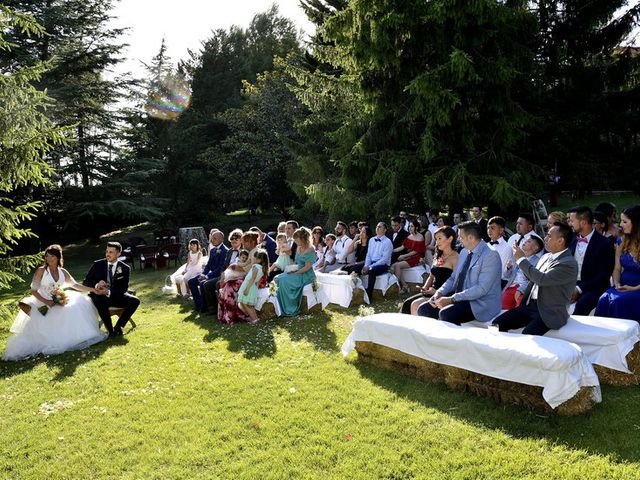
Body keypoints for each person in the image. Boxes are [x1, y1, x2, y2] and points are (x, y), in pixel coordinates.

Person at [3, 245, 107, 360]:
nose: (48, 259)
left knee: (78, 305)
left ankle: (75, 338)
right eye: (47, 256)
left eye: (52, 256)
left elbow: (75, 285)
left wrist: (93, 290)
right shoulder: (41, 271)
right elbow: (34, 290)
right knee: (60, 312)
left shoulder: (62, 271)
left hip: (58, 299)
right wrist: (46, 301)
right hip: (42, 301)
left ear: (58, 257)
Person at [492, 223, 578, 335]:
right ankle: (501, 351)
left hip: (550, 311)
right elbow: (532, 278)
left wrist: (521, 259)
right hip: (530, 306)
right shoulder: (545, 256)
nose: (545, 238)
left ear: (560, 241)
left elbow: (542, 280)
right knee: (495, 325)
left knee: (527, 335)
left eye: (549, 236)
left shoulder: (568, 263)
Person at [417, 221, 501, 324]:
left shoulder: (490, 255)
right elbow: (453, 278)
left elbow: (481, 289)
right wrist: (439, 293)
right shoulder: (464, 252)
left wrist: (452, 299)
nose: (458, 240)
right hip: (460, 296)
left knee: (446, 313)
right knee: (424, 309)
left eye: (461, 237)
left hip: (480, 303)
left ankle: (450, 340)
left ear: (470, 238)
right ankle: (432, 339)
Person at [83, 241, 140, 337]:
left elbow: (123, 288)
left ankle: (118, 327)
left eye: (111, 252)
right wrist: (97, 284)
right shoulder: (98, 264)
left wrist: (108, 291)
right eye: (107, 251)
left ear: (118, 254)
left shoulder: (125, 268)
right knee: (102, 301)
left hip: (115, 296)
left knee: (135, 301)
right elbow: (86, 281)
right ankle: (111, 331)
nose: (107, 254)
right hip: (99, 296)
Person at [595, 205, 640, 322]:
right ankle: (604, 336)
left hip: (637, 288)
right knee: (603, 298)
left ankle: (626, 337)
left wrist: (634, 288)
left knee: (618, 302)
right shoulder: (622, 241)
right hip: (623, 286)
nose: (620, 224)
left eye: (625, 221)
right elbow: (617, 268)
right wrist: (616, 283)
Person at [567, 205, 615, 315]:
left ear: (583, 222)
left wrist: (578, 289)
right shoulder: (571, 238)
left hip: (594, 286)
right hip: (570, 283)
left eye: (572, 221)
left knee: (582, 304)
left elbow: (603, 275)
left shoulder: (605, 243)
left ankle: (576, 331)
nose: (570, 224)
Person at [401, 226, 458, 315]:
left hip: (445, 294)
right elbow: (431, 276)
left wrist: (436, 292)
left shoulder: (456, 258)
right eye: (436, 239)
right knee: (407, 303)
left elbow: (456, 282)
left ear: (450, 239)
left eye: (439, 238)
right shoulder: (438, 255)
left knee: (415, 304)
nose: (437, 242)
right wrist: (425, 288)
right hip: (431, 291)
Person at [218, 232, 261, 324]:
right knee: (227, 285)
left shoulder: (255, 253)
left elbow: (249, 270)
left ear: (252, 242)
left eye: (245, 242)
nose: (243, 244)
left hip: (251, 278)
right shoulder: (250, 252)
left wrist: (233, 267)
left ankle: (234, 315)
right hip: (246, 276)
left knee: (229, 286)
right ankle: (231, 315)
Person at [275, 227, 317, 316]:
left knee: (284, 280)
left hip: (306, 274)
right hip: (298, 270)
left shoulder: (311, 249)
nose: (295, 242)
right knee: (278, 278)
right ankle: (279, 307)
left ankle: (289, 308)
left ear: (303, 239)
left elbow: (307, 267)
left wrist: (295, 273)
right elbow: (296, 262)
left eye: (297, 240)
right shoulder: (298, 247)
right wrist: (291, 269)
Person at [351, 222, 393, 302]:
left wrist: (370, 267)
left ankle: (369, 295)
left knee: (371, 271)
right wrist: (366, 265)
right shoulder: (371, 240)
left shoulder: (388, 242)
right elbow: (369, 255)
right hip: (371, 263)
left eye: (380, 227)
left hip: (383, 265)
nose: (377, 228)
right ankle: (356, 291)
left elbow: (384, 259)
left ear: (384, 230)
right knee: (354, 268)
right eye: (377, 226)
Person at [188, 230, 227, 313]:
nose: (212, 240)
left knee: (203, 283)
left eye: (215, 238)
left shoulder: (225, 251)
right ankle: (199, 305)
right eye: (212, 238)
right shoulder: (213, 250)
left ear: (221, 239)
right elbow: (208, 265)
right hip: (210, 274)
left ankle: (206, 307)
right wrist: (203, 274)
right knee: (191, 281)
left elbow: (221, 268)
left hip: (218, 275)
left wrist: (207, 276)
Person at [501, 236, 544, 310]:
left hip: (524, 289)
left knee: (519, 309)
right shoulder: (517, 257)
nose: (525, 242)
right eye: (525, 240)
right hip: (512, 286)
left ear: (535, 248)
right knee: (502, 306)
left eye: (529, 241)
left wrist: (520, 290)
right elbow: (506, 275)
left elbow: (532, 278)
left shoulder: (538, 261)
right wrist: (508, 268)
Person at [390, 219, 426, 293]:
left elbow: (416, 251)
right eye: (409, 226)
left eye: (412, 226)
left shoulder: (420, 237)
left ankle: (400, 287)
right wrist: (391, 250)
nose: (410, 228)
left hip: (417, 257)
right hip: (409, 257)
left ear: (416, 227)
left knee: (397, 265)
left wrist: (404, 256)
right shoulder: (409, 236)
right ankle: (405, 286)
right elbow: (402, 247)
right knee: (393, 266)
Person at [237, 250, 270, 324]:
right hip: (253, 287)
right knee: (248, 304)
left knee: (245, 304)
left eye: (254, 257)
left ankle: (254, 319)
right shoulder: (262, 268)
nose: (253, 259)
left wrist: (247, 289)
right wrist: (256, 288)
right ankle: (255, 318)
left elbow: (252, 278)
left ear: (258, 259)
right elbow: (257, 281)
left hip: (248, 286)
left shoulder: (255, 266)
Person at [486, 216, 513, 289]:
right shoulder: (485, 246)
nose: (489, 230)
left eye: (492, 228)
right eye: (488, 228)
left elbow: (504, 275)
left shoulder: (507, 248)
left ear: (501, 230)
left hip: (498, 283)